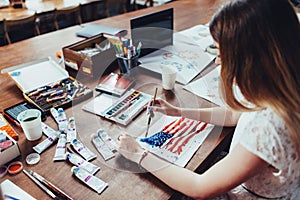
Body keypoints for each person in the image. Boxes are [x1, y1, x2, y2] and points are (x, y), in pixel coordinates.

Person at [116, 0, 300, 199]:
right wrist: (180, 112)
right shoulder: (281, 88)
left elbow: (200, 187)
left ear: (249, 60)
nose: (216, 61)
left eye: (221, 54)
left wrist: (139, 155)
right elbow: (234, 115)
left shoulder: (269, 127)